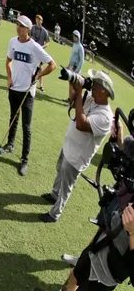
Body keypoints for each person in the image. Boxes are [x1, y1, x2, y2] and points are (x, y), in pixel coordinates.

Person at [26, 137, 134, 291]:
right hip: (101, 245)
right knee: (75, 275)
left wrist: (131, 233)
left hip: (109, 274)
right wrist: (120, 141)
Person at [40, 70, 114, 222]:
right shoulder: (92, 99)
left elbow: (81, 124)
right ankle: (54, 194)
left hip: (77, 157)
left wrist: (80, 92)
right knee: (59, 170)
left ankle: (55, 214)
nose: (91, 87)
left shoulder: (106, 117)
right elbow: (73, 102)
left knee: (66, 186)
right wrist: (73, 82)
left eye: (95, 86)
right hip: (69, 146)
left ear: (103, 90)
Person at [0, 15, 57, 176]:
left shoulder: (35, 47)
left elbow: (53, 65)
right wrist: (9, 78)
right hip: (14, 88)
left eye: (22, 26)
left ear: (28, 29)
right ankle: (10, 144)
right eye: (17, 24)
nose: (19, 27)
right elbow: (8, 61)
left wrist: (38, 77)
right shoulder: (13, 42)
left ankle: (24, 160)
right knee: (13, 117)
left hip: (27, 92)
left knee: (26, 127)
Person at [30, 15, 50, 91]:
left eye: (40, 20)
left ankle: (41, 85)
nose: (38, 21)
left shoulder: (44, 31)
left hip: (40, 51)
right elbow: (29, 36)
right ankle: (29, 80)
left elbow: (48, 42)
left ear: (42, 21)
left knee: (40, 68)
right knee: (30, 64)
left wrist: (42, 47)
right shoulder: (32, 27)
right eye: (37, 19)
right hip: (32, 50)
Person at [67, 30, 85, 103]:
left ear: (78, 37)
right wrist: (68, 65)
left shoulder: (80, 47)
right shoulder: (74, 45)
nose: (73, 37)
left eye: (75, 36)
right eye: (73, 36)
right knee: (70, 84)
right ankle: (69, 99)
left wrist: (77, 71)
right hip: (71, 67)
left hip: (75, 68)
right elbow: (72, 56)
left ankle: (71, 101)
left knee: (73, 85)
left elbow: (82, 60)